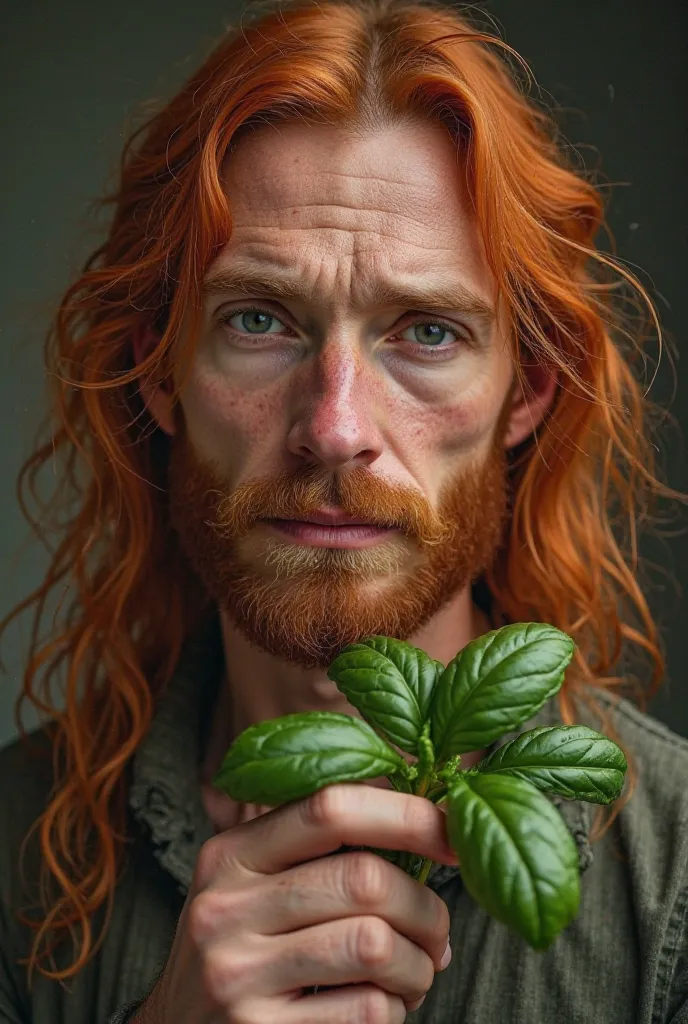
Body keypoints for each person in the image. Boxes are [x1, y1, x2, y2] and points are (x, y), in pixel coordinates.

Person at [1, 0, 687, 1020]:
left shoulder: (669, 880)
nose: (334, 427)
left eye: (426, 332)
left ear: (529, 390)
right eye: (258, 318)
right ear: (158, 367)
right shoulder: (14, 853)